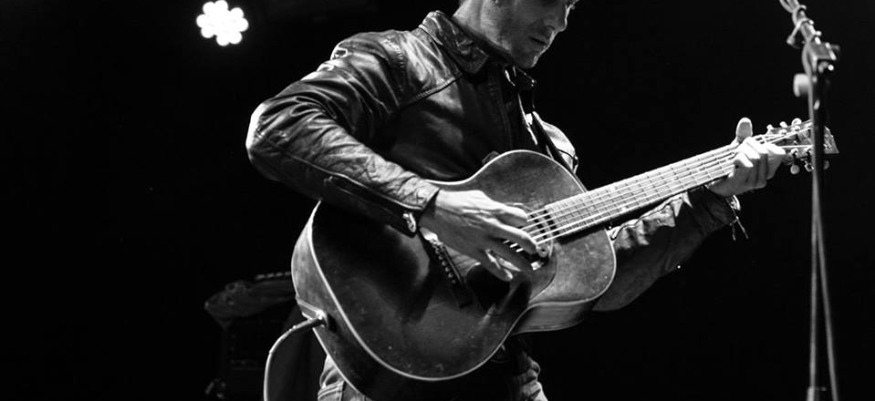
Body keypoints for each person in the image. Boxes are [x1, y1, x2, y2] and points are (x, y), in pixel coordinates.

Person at [245, 0, 787, 400]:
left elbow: (596, 283)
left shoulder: (548, 144)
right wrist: (433, 205)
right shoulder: (400, 60)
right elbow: (279, 127)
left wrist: (708, 202)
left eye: (572, 6)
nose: (562, 22)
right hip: (383, 375)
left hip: (507, 379)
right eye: (551, 1)